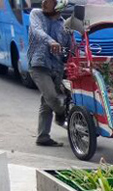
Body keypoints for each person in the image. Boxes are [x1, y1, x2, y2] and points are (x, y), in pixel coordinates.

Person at [27, 0, 71, 147]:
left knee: (46, 103)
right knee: (51, 97)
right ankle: (63, 114)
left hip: (56, 68)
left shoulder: (64, 26)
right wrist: (51, 42)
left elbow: (68, 48)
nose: (44, 3)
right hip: (39, 65)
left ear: (59, 5)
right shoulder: (36, 14)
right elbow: (37, 30)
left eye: (50, 1)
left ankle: (43, 137)